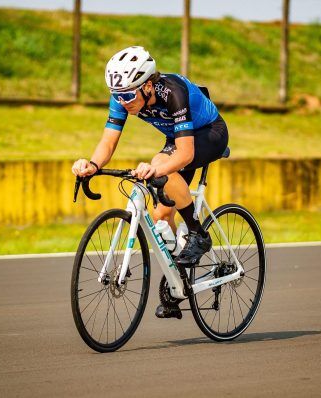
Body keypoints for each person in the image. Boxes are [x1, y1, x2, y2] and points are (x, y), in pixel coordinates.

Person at [71, 46, 229, 318]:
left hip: (210, 134)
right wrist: (92, 165)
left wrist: (156, 169)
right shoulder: (124, 97)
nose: (123, 102)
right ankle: (179, 284)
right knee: (161, 217)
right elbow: (108, 142)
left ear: (147, 86)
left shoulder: (173, 92)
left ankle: (198, 234)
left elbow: (186, 154)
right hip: (178, 139)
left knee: (159, 168)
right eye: (117, 96)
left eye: (128, 96)